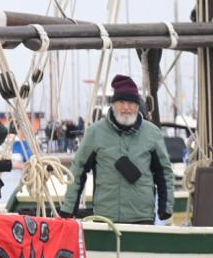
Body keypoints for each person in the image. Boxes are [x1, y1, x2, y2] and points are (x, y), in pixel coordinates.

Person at [60, 74, 173, 225]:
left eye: (131, 103)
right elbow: (78, 169)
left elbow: (164, 172)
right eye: (121, 102)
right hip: (105, 217)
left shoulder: (152, 133)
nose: (126, 107)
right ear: (113, 104)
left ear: (138, 105)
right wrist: (69, 207)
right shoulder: (95, 132)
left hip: (142, 217)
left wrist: (166, 207)